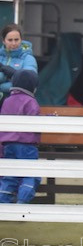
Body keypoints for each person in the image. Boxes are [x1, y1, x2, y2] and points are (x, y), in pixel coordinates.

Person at [0, 70, 41, 203]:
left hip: (8, 144)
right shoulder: (31, 102)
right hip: (26, 145)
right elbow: (35, 122)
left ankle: (3, 202)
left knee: (10, 176)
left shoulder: (7, 101)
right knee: (30, 173)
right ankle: (22, 203)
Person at [0, 24, 38, 103]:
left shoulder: (28, 58)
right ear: (3, 41)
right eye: (10, 40)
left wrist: (14, 73)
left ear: (21, 40)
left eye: (16, 40)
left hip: (18, 104)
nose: (13, 43)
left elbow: (29, 83)